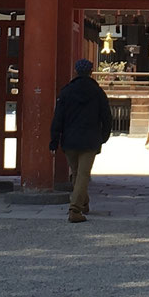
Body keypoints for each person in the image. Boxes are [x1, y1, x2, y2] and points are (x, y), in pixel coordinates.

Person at [50, 57, 113, 223]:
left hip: (70, 139)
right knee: (83, 175)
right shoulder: (97, 92)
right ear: (91, 72)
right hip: (90, 139)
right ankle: (75, 209)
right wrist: (104, 136)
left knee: (77, 174)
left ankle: (83, 203)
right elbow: (106, 116)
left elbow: (58, 117)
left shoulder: (66, 92)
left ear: (75, 72)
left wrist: (54, 139)